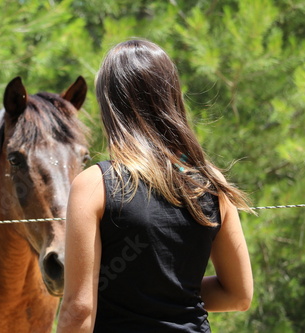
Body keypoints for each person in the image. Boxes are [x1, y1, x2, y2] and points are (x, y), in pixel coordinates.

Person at [56, 39, 254, 332]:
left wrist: (134, 292)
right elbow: (238, 295)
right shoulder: (210, 183)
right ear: (171, 98)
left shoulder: (95, 184)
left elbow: (78, 310)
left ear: (111, 107)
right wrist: (169, 292)